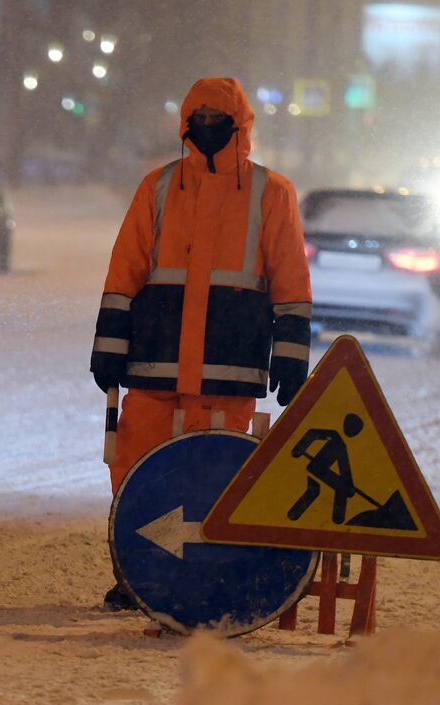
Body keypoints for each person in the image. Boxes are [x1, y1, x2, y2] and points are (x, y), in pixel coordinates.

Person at [91, 77, 313, 610]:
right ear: (186, 124)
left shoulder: (271, 192)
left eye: (220, 121)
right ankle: (137, 573)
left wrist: (291, 354)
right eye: (200, 119)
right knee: (136, 468)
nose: (209, 129)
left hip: (226, 371)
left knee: (218, 480)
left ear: (242, 127)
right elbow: (125, 270)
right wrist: (108, 344)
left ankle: (209, 577)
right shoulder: (159, 186)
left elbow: (290, 283)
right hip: (158, 364)